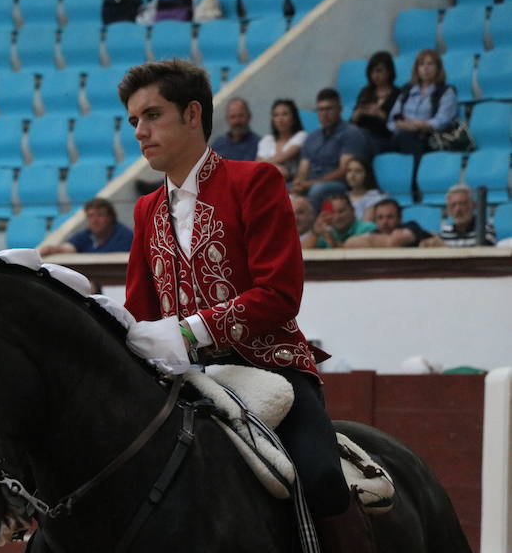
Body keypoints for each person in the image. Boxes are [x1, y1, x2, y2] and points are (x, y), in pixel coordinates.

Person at [119, 59, 372, 552]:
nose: (140, 132)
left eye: (152, 115)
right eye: (133, 121)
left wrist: (188, 333)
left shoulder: (255, 180)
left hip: (269, 366)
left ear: (193, 115)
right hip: (184, 382)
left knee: (321, 475)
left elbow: (279, 294)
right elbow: (140, 312)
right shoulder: (146, 209)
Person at [291, 88, 375, 211]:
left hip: (339, 185)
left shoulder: (351, 133)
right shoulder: (312, 137)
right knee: (279, 188)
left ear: (340, 109)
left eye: (329, 109)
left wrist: (310, 184)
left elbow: (344, 171)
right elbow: (303, 169)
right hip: (311, 183)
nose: (324, 114)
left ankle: (312, 228)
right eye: (320, 109)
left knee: (318, 190)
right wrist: (298, 184)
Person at [386, 49, 458, 167]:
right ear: (417, 69)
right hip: (402, 135)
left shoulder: (445, 91)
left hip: (429, 137)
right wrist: (400, 125)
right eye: (421, 64)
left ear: (438, 68)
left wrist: (423, 124)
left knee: (408, 140)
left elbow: (443, 120)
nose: (425, 68)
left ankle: (414, 180)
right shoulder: (406, 90)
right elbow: (391, 120)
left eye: (430, 64)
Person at [38, 198, 133, 255]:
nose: (95, 221)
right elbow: (70, 247)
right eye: (91, 216)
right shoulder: (87, 234)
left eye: (100, 215)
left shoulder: (125, 236)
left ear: (111, 217)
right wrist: (54, 249)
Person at [350, 51, 401, 152]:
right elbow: (353, 122)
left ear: (389, 71)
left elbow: (398, 125)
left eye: (379, 71)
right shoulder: (366, 92)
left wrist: (381, 115)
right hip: (361, 134)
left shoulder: (398, 94)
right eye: (372, 72)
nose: (375, 75)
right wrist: (357, 114)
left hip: (383, 138)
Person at [343, 198, 441, 248]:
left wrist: (370, 241)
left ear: (399, 218)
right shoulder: (374, 232)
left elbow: (393, 242)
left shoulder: (412, 227)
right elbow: (350, 243)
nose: (384, 222)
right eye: (380, 218)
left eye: (389, 217)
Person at [301, 192, 376, 249]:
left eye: (341, 211)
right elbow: (300, 254)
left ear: (352, 210)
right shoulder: (327, 232)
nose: (337, 217)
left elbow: (352, 257)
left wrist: (333, 242)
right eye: (332, 212)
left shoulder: (367, 228)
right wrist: (315, 233)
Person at [256, 98, 306, 180]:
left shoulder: (301, 136)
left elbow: (284, 156)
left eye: (285, 114)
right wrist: (275, 167)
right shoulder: (267, 139)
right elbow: (257, 164)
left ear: (293, 118)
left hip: (291, 182)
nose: (280, 119)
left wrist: (264, 165)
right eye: (276, 115)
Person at [210, 97, 260, 162]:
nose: (237, 121)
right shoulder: (217, 145)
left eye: (240, 115)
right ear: (227, 119)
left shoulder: (260, 145)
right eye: (232, 117)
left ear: (249, 116)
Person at [344, 155, 384, 222]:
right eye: (349, 171)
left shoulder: (375, 198)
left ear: (367, 174)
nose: (352, 175)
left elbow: (365, 227)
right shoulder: (340, 197)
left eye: (358, 171)